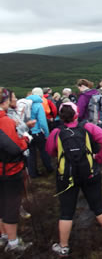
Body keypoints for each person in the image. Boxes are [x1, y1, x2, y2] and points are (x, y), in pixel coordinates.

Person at [45, 102, 102, 256]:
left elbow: (50, 150)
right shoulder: (88, 127)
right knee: (98, 204)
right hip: (90, 173)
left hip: (66, 176)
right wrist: (98, 158)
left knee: (66, 211)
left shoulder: (56, 132)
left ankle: (63, 247)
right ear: (77, 113)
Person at [0, 87, 33, 254]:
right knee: (11, 203)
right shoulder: (5, 121)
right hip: (10, 170)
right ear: (4, 101)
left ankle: (4, 236)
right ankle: (13, 243)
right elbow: (15, 148)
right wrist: (25, 140)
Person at [25, 92, 53, 178]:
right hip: (37, 132)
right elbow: (42, 122)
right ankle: (49, 168)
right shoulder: (38, 105)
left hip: (28, 132)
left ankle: (32, 173)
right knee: (44, 151)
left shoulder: (25, 105)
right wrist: (47, 134)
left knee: (31, 153)